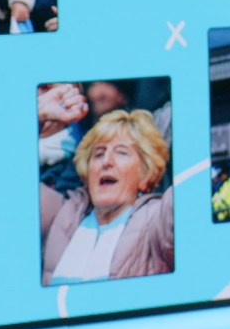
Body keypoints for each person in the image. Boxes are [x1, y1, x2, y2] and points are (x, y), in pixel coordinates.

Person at [40, 109, 175, 285]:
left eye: (121, 152)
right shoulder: (59, 213)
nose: (106, 162)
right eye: (99, 154)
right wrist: (39, 118)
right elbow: (7, 181)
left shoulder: (157, 219)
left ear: (144, 175)